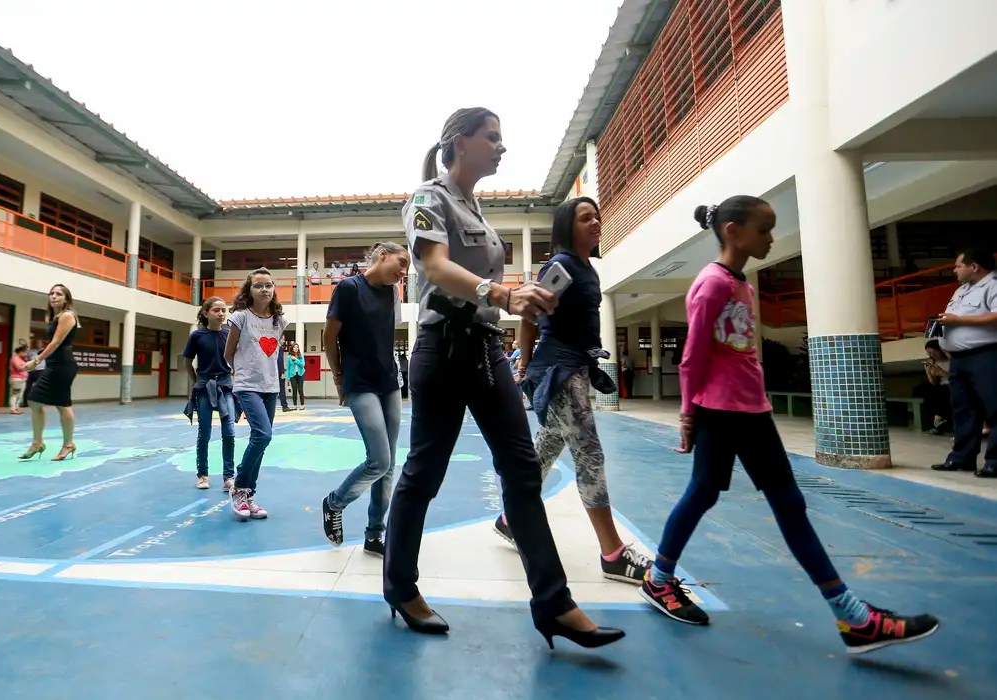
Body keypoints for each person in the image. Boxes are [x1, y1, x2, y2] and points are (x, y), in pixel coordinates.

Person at [639, 196, 939, 654]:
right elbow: (693, 354)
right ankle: (661, 579)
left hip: (751, 409)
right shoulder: (711, 284)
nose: (771, 238)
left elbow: (737, 353)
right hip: (721, 411)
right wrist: (688, 413)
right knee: (713, 494)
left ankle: (849, 615)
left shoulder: (744, 285)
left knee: (780, 501)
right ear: (734, 231)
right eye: (765, 229)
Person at [383, 106, 624, 650]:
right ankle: (400, 586)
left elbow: (481, 280)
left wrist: (522, 296)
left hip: (487, 348)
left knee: (520, 469)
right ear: (458, 141)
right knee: (424, 472)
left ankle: (555, 604)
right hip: (442, 348)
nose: (501, 146)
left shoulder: (480, 210)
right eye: (492, 137)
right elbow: (437, 267)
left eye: (501, 138)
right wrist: (501, 293)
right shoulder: (428, 198)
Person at [492, 197, 651, 585]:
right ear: (568, 226)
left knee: (547, 447)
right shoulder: (561, 266)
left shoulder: (586, 268)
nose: (595, 221)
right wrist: (527, 367)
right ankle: (613, 554)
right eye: (585, 218)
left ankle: (511, 518)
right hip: (559, 370)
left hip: (576, 366)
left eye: (596, 216)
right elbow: (531, 313)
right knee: (590, 454)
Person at [321, 242, 410, 554]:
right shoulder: (348, 288)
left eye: (407, 270)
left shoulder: (391, 292)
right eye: (401, 263)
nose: (403, 273)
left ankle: (374, 536)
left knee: (389, 466)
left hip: (390, 382)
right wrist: (338, 376)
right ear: (382, 255)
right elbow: (329, 336)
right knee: (379, 460)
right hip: (359, 382)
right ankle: (334, 502)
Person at [225, 267, 288, 521]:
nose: (265, 289)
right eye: (258, 285)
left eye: (269, 285)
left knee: (261, 441)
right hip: (247, 385)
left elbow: (271, 354)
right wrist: (240, 374)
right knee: (263, 435)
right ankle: (240, 486)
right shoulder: (240, 317)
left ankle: (248, 495)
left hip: (270, 386)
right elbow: (228, 353)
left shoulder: (279, 321)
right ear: (249, 291)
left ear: (274, 289)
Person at [931, 249, 997, 478]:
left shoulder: (993, 285)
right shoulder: (961, 290)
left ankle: (995, 462)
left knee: (994, 408)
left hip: (986, 355)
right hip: (960, 359)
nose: (954, 270)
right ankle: (962, 458)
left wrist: (959, 320)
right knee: (963, 410)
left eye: (958, 265)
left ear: (975, 266)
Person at [20, 284, 80, 461]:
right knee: (34, 400)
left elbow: (55, 343)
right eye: (51, 293)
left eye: (59, 294)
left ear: (66, 299)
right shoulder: (56, 317)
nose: (54, 296)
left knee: (62, 405)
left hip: (63, 366)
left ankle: (68, 444)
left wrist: (36, 361)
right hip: (54, 365)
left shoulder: (68, 316)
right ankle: (37, 443)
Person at [183, 296, 236, 492]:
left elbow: (236, 358)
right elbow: (187, 361)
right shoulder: (197, 336)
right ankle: (202, 475)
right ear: (206, 313)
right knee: (204, 432)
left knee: (229, 432)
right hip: (205, 386)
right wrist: (196, 380)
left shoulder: (230, 333)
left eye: (223, 310)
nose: (221, 313)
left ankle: (229, 477)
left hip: (225, 386)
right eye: (216, 310)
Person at [914, 339, 952, 435]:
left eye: (934, 352)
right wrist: (929, 372)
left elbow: (959, 377)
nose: (932, 355)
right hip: (941, 387)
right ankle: (936, 420)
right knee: (925, 389)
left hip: (953, 385)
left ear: (940, 350)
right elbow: (933, 382)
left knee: (937, 393)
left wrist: (943, 373)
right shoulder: (934, 363)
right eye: (929, 353)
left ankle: (937, 419)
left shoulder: (951, 360)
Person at [21, 340, 45, 407]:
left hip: (40, 371)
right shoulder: (31, 351)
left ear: (42, 344)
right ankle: (25, 403)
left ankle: (40, 402)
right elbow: (26, 359)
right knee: (27, 387)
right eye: (37, 343)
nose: (38, 344)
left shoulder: (45, 351)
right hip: (31, 372)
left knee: (40, 387)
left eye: (39, 343)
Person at [8, 345, 29, 414]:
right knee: (15, 394)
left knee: (20, 395)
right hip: (16, 379)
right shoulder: (15, 359)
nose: (26, 354)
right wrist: (28, 365)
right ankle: (12, 409)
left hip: (22, 379)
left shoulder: (21, 359)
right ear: (21, 352)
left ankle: (16, 408)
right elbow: (18, 368)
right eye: (25, 352)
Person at [287, 344, 306, 410]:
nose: (296, 348)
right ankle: (295, 405)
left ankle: (302, 405)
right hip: (293, 375)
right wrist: (288, 378)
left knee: (300, 389)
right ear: (292, 348)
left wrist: (296, 359)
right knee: (294, 390)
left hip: (300, 374)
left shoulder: (301, 356)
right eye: (294, 347)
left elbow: (302, 365)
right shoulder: (289, 357)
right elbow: (288, 368)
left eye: (297, 347)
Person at [277, 342, 292, 412]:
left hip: (270, 372)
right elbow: (280, 361)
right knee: (281, 388)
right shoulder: (279, 348)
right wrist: (282, 372)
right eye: (282, 339)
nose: (283, 341)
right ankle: (284, 406)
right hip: (278, 372)